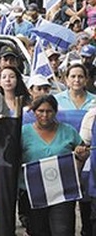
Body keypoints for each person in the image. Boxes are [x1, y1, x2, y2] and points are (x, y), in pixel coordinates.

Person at [20, 94, 89, 235]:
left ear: (55, 111)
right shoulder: (23, 132)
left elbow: (82, 151)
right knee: (38, 230)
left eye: (49, 111)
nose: (45, 115)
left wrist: (81, 156)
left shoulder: (68, 131)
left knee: (62, 230)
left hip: (62, 192)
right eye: (40, 111)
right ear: (34, 112)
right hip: (33, 193)